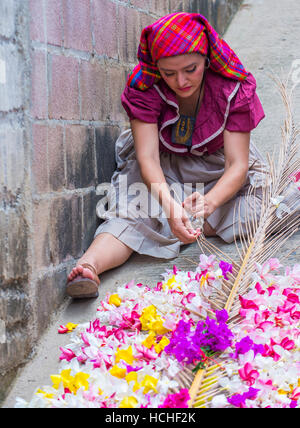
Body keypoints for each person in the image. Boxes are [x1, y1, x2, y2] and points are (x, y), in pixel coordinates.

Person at [66, 12, 267, 298]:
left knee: (263, 204)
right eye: (169, 73)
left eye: (191, 69)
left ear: (206, 58)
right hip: (162, 167)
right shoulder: (144, 86)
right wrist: (170, 206)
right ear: (156, 67)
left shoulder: (232, 87)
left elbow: (238, 165)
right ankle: (89, 266)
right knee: (132, 210)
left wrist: (208, 203)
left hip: (216, 169)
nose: (181, 81)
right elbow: (147, 158)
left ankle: (183, 225)